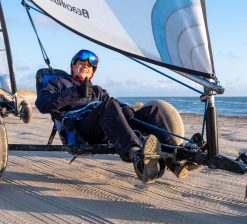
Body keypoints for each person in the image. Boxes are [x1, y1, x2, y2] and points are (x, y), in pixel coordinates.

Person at [35, 49, 196, 180]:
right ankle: (137, 155)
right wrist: (74, 92)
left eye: (89, 66)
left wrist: (127, 109)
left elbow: (114, 102)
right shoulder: (59, 83)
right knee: (109, 106)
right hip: (80, 129)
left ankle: (176, 158)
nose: (85, 66)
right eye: (81, 63)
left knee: (152, 112)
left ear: (92, 73)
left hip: (107, 127)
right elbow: (42, 104)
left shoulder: (97, 90)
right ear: (72, 67)